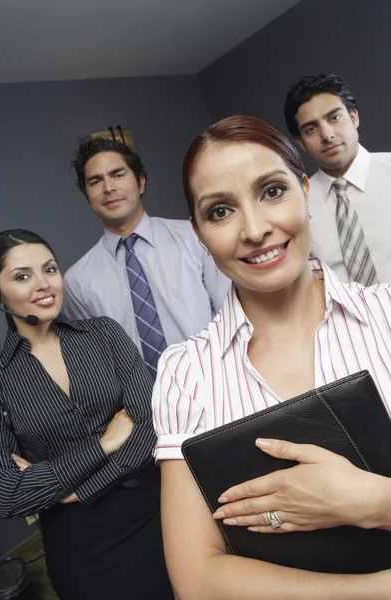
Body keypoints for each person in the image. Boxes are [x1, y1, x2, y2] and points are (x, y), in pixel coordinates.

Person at [151, 115, 391, 599]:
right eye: (220, 212)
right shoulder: (186, 374)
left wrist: (371, 501)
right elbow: (197, 583)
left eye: (273, 191)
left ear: (306, 191)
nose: (256, 229)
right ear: (198, 232)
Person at [0, 229, 174, 600]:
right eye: (22, 276)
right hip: (82, 551)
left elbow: (152, 428)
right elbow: (8, 494)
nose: (44, 285)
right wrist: (105, 444)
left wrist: (71, 490)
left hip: (159, 514)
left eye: (50, 269)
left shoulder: (104, 334)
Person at [64, 137, 230, 378]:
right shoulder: (77, 281)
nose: (108, 187)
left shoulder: (196, 237)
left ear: (141, 181)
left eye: (118, 174)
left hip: (218, 382)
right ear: (87, 196)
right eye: (95, 181)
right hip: (142, 407)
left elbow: (230, 313)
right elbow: (93, 362)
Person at [284, 73, 391, 284]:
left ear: (354, 117)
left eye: (334, 118)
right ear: (301, 142)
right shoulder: (297, 205)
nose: (327, 135)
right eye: (311, 129)